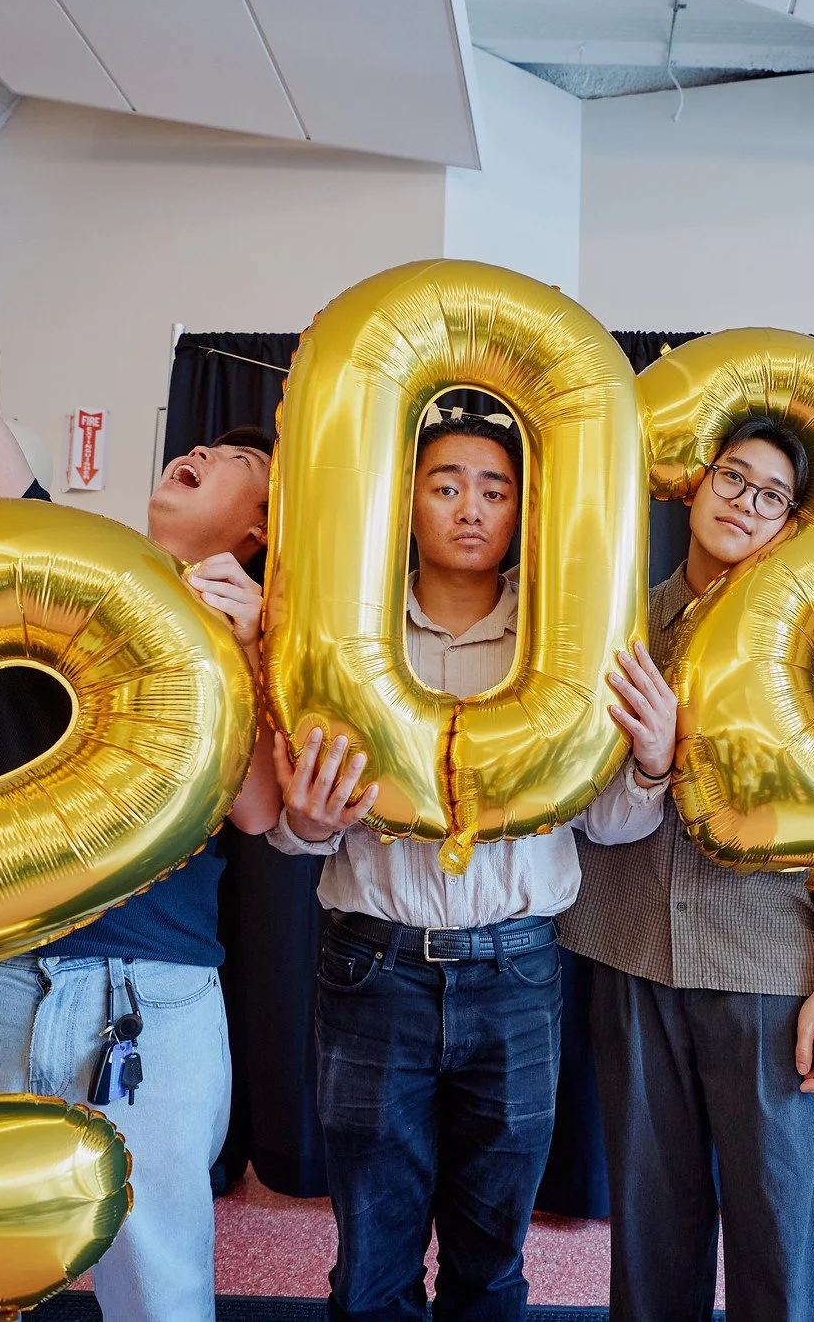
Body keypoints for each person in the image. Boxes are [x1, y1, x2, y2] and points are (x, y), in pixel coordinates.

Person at [0, 135, 283, 1322]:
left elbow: (261, 814)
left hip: (151, 989)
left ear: (261, 532)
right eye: (207, 442)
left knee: (158, 1281)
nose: (200, 450)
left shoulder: (266, 638)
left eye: (237, 464)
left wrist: (253, 655)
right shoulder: (48, 561)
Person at [266, 410, 678, 1322]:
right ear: (404, 500)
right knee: (371, 1263)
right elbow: (300, 825)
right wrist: (302, 821)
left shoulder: (566, 638)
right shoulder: (347, 628)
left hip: (516, 970)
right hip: (372, 965)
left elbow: (608, 825)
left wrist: (652, 762)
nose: (470, 508)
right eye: (445, 485)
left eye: (495, 491)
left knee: (491, 1262)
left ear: (524, 509)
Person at [562, 415, 814, 1322]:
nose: (746, 503)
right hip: (630, 957)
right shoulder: (616, 630)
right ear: (695, 484)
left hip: (766, 970)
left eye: (772, 496)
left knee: (781, 1238)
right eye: (734, 477)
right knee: (652, 1234)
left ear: (789, 525)